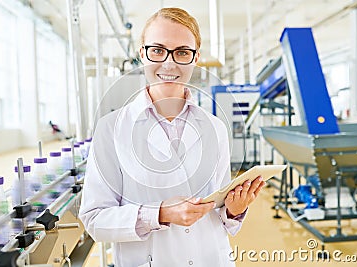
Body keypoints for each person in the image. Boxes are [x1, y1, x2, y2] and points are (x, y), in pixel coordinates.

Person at [79, 7, 265, 267]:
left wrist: (235, 208)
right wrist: (161, 214)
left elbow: (220, 212)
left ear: (196, 57)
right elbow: (95, 220)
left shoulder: (215, 128)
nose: (169, 63)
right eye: (157, 50)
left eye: (182, 52)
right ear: (141, 53)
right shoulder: (111, 129)